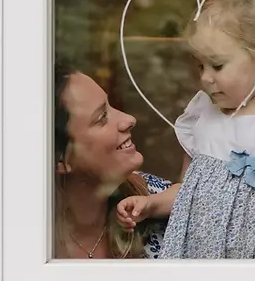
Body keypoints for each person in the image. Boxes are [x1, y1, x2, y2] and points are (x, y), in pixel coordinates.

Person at [117, 0, 255, 259]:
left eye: (217, 65)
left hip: (250, 266)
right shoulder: (203, 115)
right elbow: (186, 189)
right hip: (193, 260)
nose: (205, 78)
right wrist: (151, 205)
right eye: (201, 66)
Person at [53, 61, 172, 260]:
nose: (129, 119)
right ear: (60, 159)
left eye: (111, 106)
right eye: (102, 118)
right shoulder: (20, 243)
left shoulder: (163, 204)